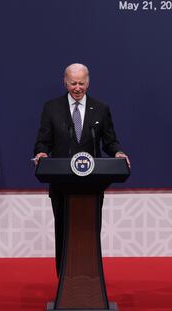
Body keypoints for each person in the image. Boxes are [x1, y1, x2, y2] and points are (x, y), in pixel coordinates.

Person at [34, 63, 130, 275]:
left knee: (89, 230)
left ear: (88, 82)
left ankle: (90, 278)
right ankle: (64, 280)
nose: (77, 88)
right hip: (61, 184)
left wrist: (118, 153)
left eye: (82, 83)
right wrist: (41, 153)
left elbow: (110, 141)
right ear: (65, 82)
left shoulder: (101, 108)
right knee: (63, 229)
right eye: (73, 83)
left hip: (91, 184)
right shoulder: (52, 108)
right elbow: (43, 141)